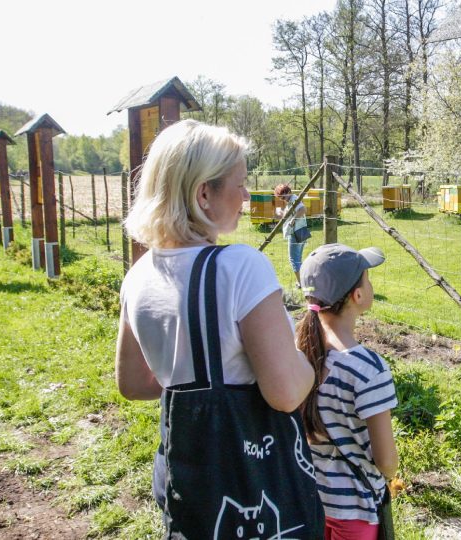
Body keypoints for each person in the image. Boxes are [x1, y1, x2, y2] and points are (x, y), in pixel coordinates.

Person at [115, 119, 324, 538]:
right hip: (251, 477)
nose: (246, 195)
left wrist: (194, 379)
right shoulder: (240, 267)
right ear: (203, 193)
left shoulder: (138, 276)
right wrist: (308, 361)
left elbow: (134, 384)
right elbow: (285, 393)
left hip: (188, 480)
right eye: (240, 183)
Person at [296, 244, 399, 540]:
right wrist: (389, 474)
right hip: (355, 510)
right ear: (357, 295)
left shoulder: (297, 352)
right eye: (367, 278)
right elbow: (386, 461)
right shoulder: (368, 369)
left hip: (309, 501)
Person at [274, 183, 309, 287]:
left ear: (288, 192)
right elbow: (291, 214)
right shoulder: (291, 200)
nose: (282, 199)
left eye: (283, 196)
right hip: (301, 230)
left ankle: (301, 283)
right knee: (298, 258)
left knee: (293, 259)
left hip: (295, 232)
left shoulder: (294, 199)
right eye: (280, 197)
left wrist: (293, 220)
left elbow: (303, 209)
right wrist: (281, 213)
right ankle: (303, 280)